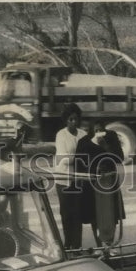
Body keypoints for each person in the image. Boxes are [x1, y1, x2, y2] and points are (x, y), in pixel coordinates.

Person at [88, 124, 126, 245]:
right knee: (96, 213)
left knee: (111, 212)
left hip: (109, 177)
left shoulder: (111, 136)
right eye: (96, 130)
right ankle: (99, 245)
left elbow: (119, 158)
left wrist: (105, 146)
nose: (99, 132)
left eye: (101, 130)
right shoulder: (88, 138)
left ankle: (109, 244)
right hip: (95, 179)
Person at [54, 103, 85, 249]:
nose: (74, 122)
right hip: (63, 180)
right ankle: (68, 245)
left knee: (78, 214)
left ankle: (77, 246)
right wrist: (80, 157)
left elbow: (90, 154)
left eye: (76, 119)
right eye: (70, 119)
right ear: (66, 120)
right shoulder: (61, 135)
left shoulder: (83, 134)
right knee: (66, 215)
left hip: (78, 180)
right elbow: (63, 158)